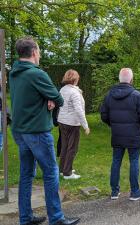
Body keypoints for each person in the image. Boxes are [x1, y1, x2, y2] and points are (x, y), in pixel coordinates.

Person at [9, 37, 80, 225]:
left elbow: (32, 98)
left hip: (19, 130)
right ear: (34, 52)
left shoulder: (14, 73)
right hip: (37, 131)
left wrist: (48, 99)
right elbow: (59, 99)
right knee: (50, 172)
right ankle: (56, 218)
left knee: (26, 175)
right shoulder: (36, 74)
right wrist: (50, 100)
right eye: (39, 51)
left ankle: (25, 218)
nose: (39, 55)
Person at [100, 68, 140, 201]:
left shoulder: (110, 95)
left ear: (119, 79)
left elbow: (103, 115)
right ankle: (134, 191)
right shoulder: (137, 95)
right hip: (133, 134)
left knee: (116, 161)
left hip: (118, 133)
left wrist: (113, 124)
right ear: (131, 79)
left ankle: (114, 191)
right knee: (133, 161)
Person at [58, 69, 90, 180]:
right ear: (75, 79)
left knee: (65, 146)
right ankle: (67, 173)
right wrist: (85, 126)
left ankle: (63, 169)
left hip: (62, 122)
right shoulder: (74, 92)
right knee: (72, 148)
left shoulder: (63, 89)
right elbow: (79, 110)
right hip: (72, 123)